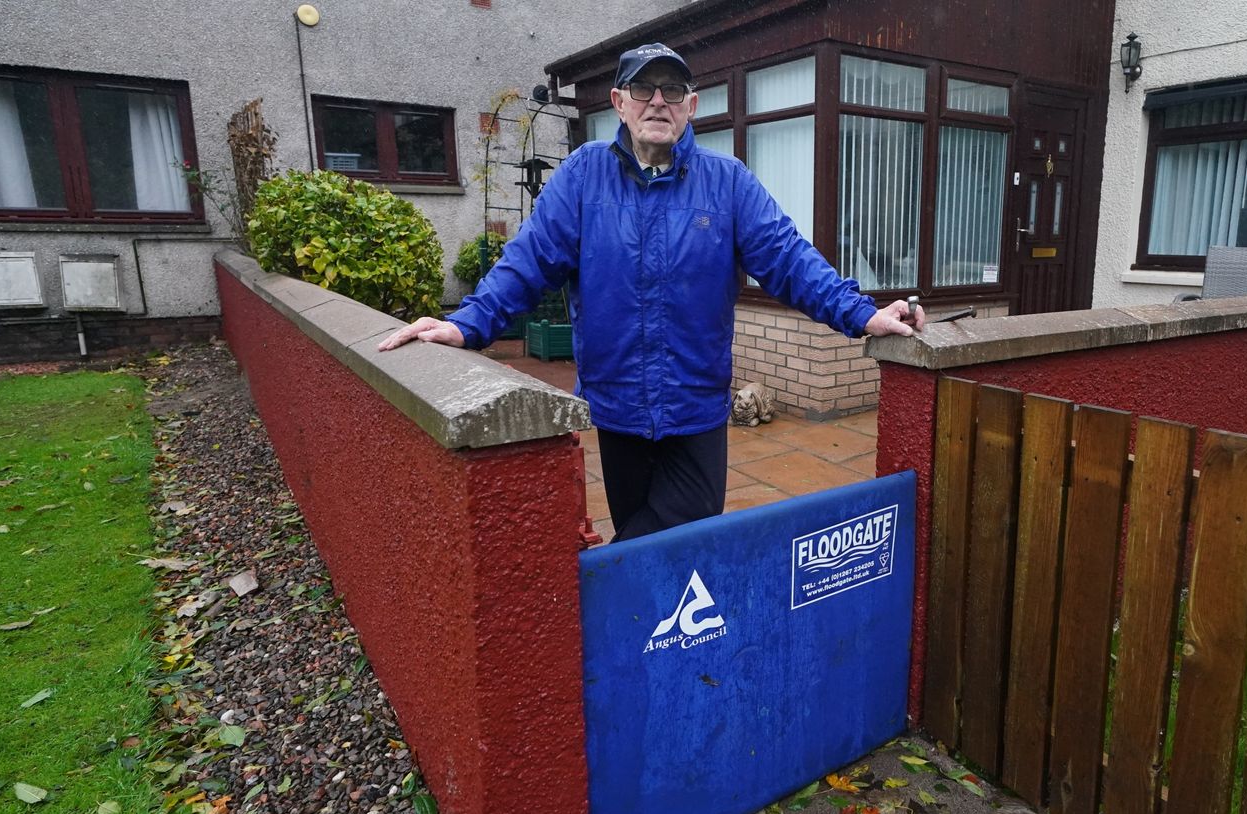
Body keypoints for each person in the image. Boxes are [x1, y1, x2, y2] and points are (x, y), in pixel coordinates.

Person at [379, 42, 924, 541]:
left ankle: (609, 599)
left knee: (669, 543)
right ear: (620, 101)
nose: (657, 102)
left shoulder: (727, 181)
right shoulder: (582, 176)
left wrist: (862, 314)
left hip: (696, 410)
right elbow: (529, 261)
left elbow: (788, 259)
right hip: (616, 410)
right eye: (644, 89)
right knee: (645, 545)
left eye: (672, 91)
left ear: (691, 105)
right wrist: (465, 323)